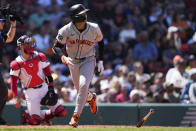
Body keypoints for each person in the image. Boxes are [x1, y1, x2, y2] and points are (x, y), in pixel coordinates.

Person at [52, 4, 104, 128]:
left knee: (83, 85)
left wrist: (101, 61)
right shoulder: (65, 30)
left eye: (85, 14)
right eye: (82, 15)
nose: (85, 16)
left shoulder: (94, 28)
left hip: (88, 59)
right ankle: (91, 98)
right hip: (72, 61)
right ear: (76, 18)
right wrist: (63, 57)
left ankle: (75, 116)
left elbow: (101, 43)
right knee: (80, 90)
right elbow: (56, 47)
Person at [10, 35, 67, 125]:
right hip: (30, 91)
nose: (31, 46)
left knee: (61, 112)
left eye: (31, 43)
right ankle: (27, 114)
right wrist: (15, 97)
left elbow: (48, 74)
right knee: (35, 121)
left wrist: (51, 89)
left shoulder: (40, 56)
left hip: (44, 87)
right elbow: (13, 82)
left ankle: (44, 117)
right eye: (28, 44)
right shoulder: (16, 63)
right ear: (21, 46)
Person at [0, 13, 16, 125]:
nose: (3, 23)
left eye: (2, 21)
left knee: (3, 92)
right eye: (1, 21)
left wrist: (13, 25)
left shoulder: (0, 33)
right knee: (3, 91)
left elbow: (9, 38)